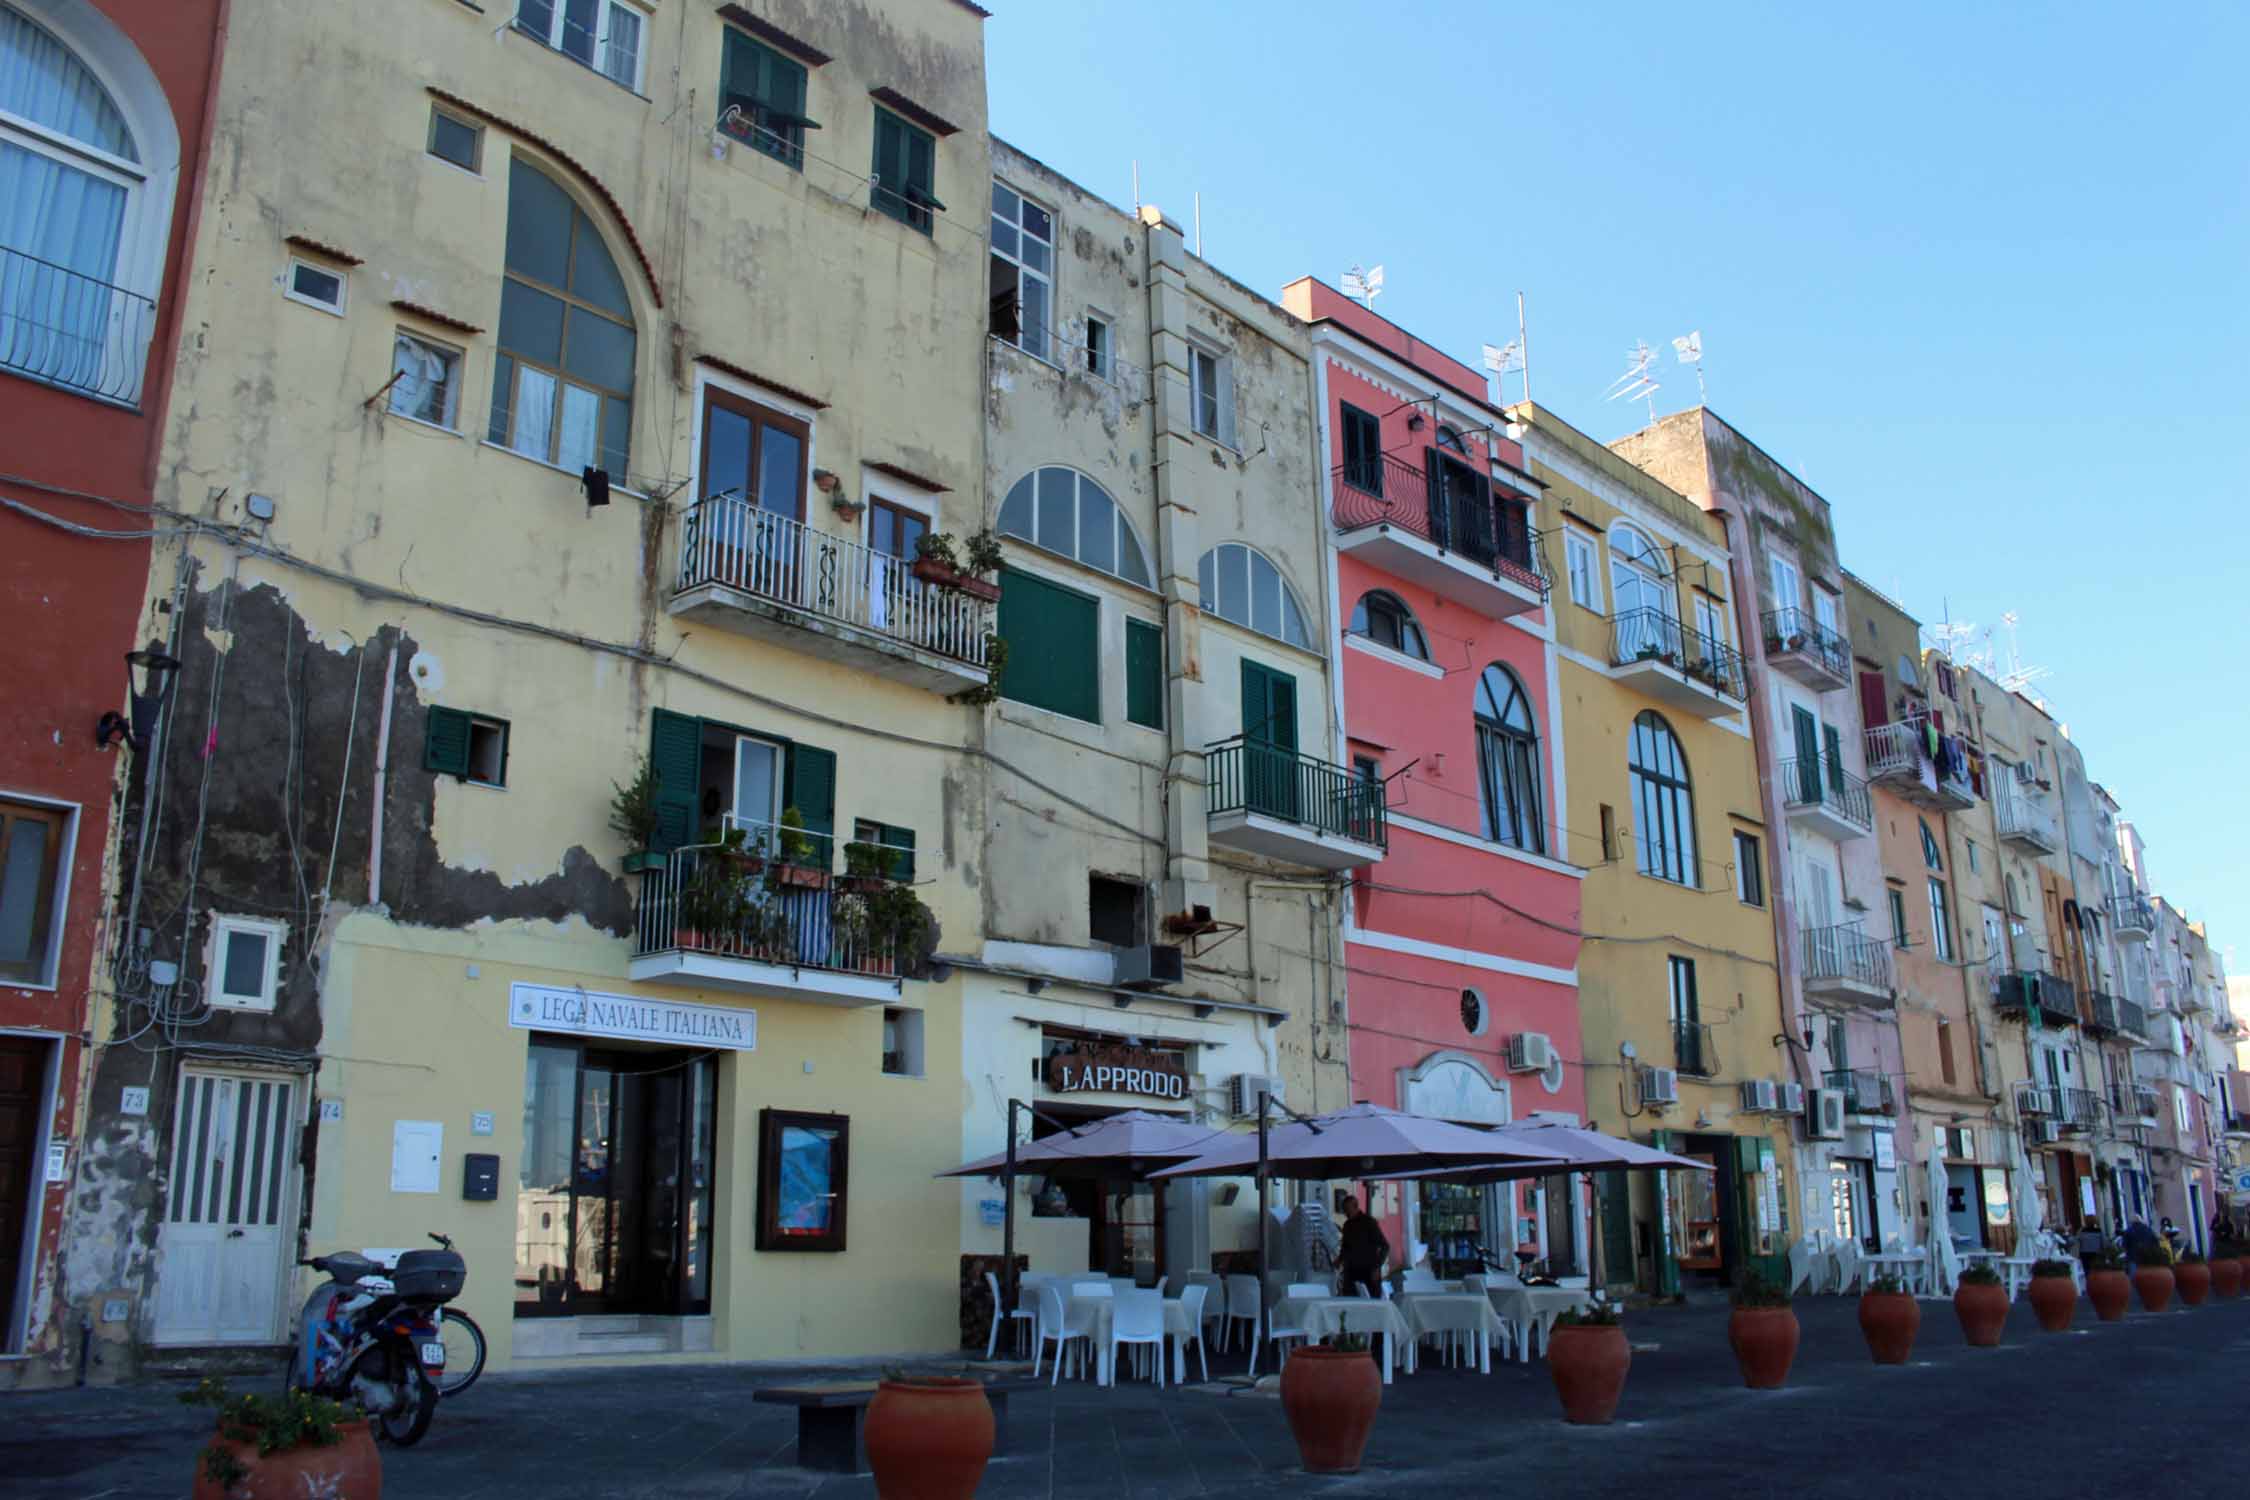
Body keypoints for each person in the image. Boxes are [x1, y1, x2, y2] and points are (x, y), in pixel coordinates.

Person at [1336, 1196, 1389, 1300]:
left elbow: (1385, 1246)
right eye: (1344, 1210)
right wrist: (1340, 1260)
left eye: (1348, 1210)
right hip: (1351, 1271)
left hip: (1369, 1270)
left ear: (1355, 1207)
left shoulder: (1369, 1223)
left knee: (1371, 1301)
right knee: (1350, 1300)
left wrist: (1377, 1267)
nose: (1346, 1213)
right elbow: (1345, 1247)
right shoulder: (1347, 1225)